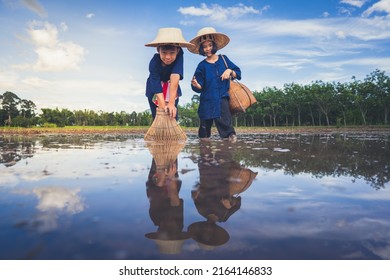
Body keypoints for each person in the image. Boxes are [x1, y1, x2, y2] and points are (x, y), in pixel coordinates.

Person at [189, 27, 241, 143]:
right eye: (204, 46)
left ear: (214, 45)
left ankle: (229, 150)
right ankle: (205, 156)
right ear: (201, 49)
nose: (207, 49)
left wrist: (229, 71)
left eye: (210, 45)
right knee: (204, 131)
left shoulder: (224, 59)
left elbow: (237, 72)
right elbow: (198, 86)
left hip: (222, 98)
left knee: (227, 127)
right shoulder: (201, 66)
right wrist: (196, 85)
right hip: (206, 101)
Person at [145, 27, 193, 120]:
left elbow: (175, 75)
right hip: (155, 89)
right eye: (164, 52)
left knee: (172, 114)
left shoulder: (179, 55)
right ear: (158, 50)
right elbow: (155, 83)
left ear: (177, 51)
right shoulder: (154, 62)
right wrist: (162, 106)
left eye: (172, 53)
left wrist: (171, 103)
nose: (168, 57)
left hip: (171, 88)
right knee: (158, 116)